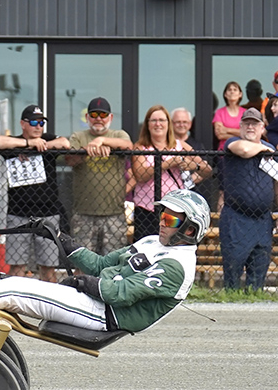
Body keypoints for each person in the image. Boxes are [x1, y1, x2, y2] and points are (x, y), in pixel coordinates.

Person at [0, 189, 210, 334]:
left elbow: (121, 293)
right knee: (12, 288)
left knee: (14, 289)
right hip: (94, 301)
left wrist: (84, 284)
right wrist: (61, 239)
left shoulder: (178, 266)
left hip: (105, 315)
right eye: (163, 215)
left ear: (190, 229)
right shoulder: (153, 242)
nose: (161, 221)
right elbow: (101, 265)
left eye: (169, 218)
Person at [0, 104, 70, 282]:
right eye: (34, 122)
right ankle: (15, 305)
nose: (38, 126)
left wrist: (41, 146)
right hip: (18, 213)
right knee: (17, 267)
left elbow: (65, 143)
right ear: (23, 124)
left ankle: (48, 305)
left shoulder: (46, 139)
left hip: (48, 213)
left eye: (41, 123)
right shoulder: (15, 142)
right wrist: (27, 144)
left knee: (48, 267)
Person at [130, 105, 211, 241]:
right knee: (145, 249)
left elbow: (207, 170)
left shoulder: (181, 146)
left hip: (174, 210)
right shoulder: (140, 147)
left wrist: (194, 166)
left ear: (168, 124)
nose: (158, 124)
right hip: (146, 210)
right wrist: (168, 163)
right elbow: (140, 175)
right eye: (153, 120)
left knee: (173, 247)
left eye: (162, 120)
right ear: (147, 125)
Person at [217, 108, 276, 290]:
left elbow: (276, 180)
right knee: (233, 272)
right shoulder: (232, 142)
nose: (250, 127)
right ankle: (231, 302)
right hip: (236, 217)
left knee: (259, 271)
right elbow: (243, 150)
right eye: (247, 123)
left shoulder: (271, 150)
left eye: (255, 123)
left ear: (262, 127)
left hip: (262, 220)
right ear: (241, 126)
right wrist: (264, 148)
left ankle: (253, 300)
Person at [66, 97, 133, 254]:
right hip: (83, 214)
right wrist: (86, 151)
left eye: (103, 115)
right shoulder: (78, 136)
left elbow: (128, 145)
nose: (98, 119)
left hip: (114, 214)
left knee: (112, 263)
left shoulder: (118, 134)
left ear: (110, 117)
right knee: (82, 264)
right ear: (87, 117)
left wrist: (102, 141)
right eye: (94, 115)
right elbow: (69, 160)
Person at [213, 81, 245, 148]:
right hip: (224, 151)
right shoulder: (220, 112)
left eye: (235, 90)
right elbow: (220, 135)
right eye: (229, 90)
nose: (232, 92)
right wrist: (240, 135)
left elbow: (246, 133)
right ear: (225, 94)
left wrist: (226, 130)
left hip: (242, 149)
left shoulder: (245, 113)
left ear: (240, 94)